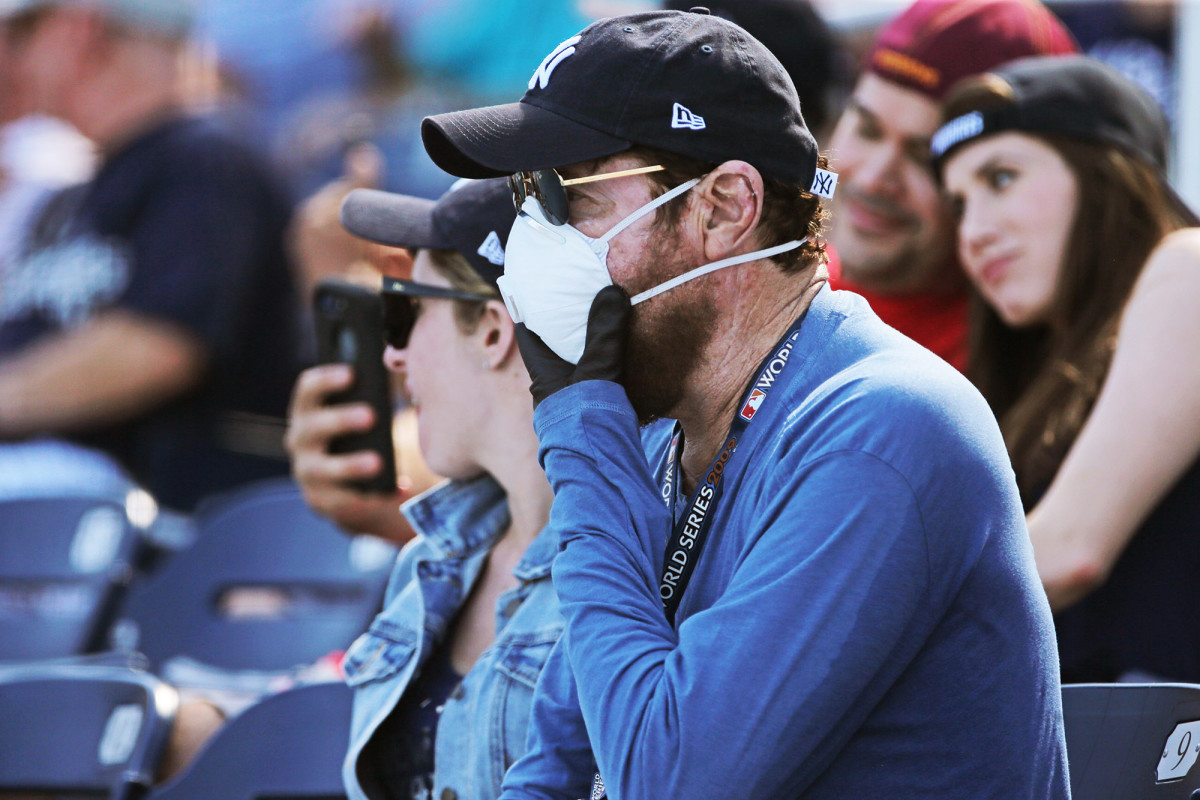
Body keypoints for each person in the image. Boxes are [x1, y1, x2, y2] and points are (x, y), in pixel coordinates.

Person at [419, 8, 1068, 798]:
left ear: (724, 207)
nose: (529, 238)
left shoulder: (882, 432)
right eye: (521, 195)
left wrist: (580, 419)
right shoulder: (670, 441)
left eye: (562, 195)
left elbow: (674, 781)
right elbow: (554, 761)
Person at [284, 178, 562, 800]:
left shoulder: (625, 573)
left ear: (493, 331)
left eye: (407, 308)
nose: (393, 355)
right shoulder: (431, 558)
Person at [934, 54, 1200, 683]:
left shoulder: (1187, 268)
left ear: (1104, 173)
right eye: (958, 207)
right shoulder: (1019, 386)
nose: (971, 232)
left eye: (1000, 178)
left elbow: (1072, 550)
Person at [0, 0, 304, 510]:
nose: (9, 59)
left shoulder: (203, 159)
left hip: (153, 515)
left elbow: (161, 346)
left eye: (19, 36)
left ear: (79, 29)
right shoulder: (72, 196)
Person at [826, 0, 1076, 370]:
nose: (873, 179)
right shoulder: (767, 285)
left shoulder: (1030, 377)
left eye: (923, 156)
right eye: (867, 129)